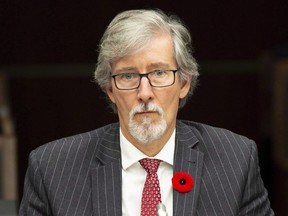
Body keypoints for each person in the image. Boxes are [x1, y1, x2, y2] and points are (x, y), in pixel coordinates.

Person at [19, 8, 274, 216]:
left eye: (159, 73)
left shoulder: (236, 160)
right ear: (110, 89)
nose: (144, 92)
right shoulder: (52, 169)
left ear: (183, 83)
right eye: (128, 76)